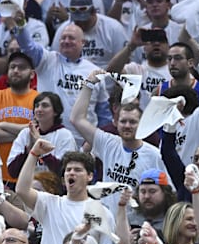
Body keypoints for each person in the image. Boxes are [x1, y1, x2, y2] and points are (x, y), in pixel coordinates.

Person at [71, 69, 171, 211]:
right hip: (107, 221)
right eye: (123, 121)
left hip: (136, 225)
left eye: (132, 122)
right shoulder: (108, 143)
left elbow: (167, 194)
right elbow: (76, 119)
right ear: (116, 123)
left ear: (141, 124)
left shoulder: (154, 155)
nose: (127, 126)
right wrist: (89, 85)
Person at [16, 138, 115, 244]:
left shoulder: (102, 212)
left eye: (78, 170)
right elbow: (21, 190)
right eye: (68, 170)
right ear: (63, 179)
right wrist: (34, 154)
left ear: (90, 176)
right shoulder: (50, 203)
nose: (71, 173)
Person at [15, 17, 110, 148]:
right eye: (63, 38)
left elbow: (103, 113)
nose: (66, 41)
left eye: (71, 38)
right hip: (48, 140)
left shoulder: (95, 71)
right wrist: (20, 25)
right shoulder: (46, 60)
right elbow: (27, 46)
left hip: (84, 144)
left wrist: (97, 140)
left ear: (83, 43)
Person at [0, 52, 39, 183]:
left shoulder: (38, 98)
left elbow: (38, 131)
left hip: (28, 177)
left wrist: (2, 125)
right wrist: (24, 135)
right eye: (12, 67)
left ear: (32, 74)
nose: (16, 71)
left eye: (22, 67)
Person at [50, 0, 129, 69]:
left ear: (94, 12)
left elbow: (126, 61)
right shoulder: (64, 30)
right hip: (73, 78)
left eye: (84, 20)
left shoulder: (113, 27)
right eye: (77, 21)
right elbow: (55, 61)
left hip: (105, 77)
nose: (81, 24)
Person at [7, 92, 75, 178]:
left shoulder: (65, 135)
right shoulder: (25, 133)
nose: (39, 109)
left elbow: (63, 172)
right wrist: (28, 150)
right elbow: (12, 172)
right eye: (37, 106)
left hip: (54, 189)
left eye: (45, 106)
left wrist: (41, 147)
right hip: (27, 187)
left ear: (56, 111)